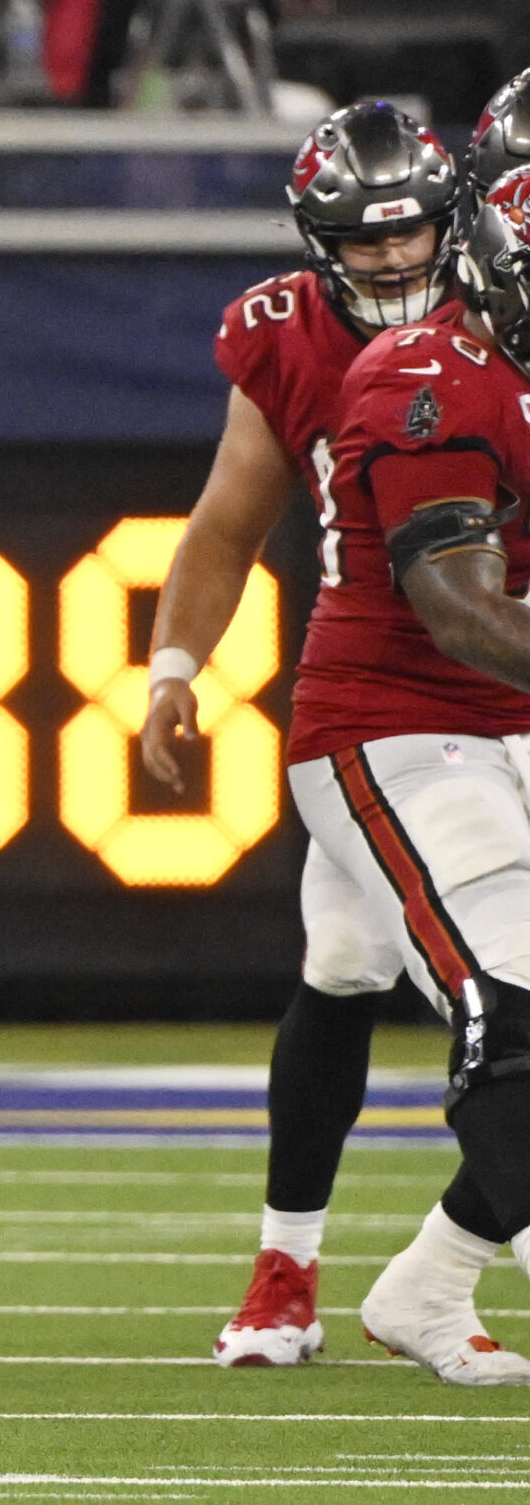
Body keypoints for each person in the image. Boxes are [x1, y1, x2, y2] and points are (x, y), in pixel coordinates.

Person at [139, 100, 467, 1368]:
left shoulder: (501, 304)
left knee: (437, 981)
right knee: (374, 969)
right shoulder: (285, 333)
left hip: (504, 678)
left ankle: (411, 1276)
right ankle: (308, 1268)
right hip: (384, 697)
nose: (390, 259)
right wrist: (174, 665)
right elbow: (226, 524)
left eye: (409, 234)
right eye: (360, 238)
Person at [268, 163, 530, 1384]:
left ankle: (430, 1282)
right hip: (398, 724)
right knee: (514, 1012)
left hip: (508, 719)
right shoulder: (427, 384)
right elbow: (460, 613)